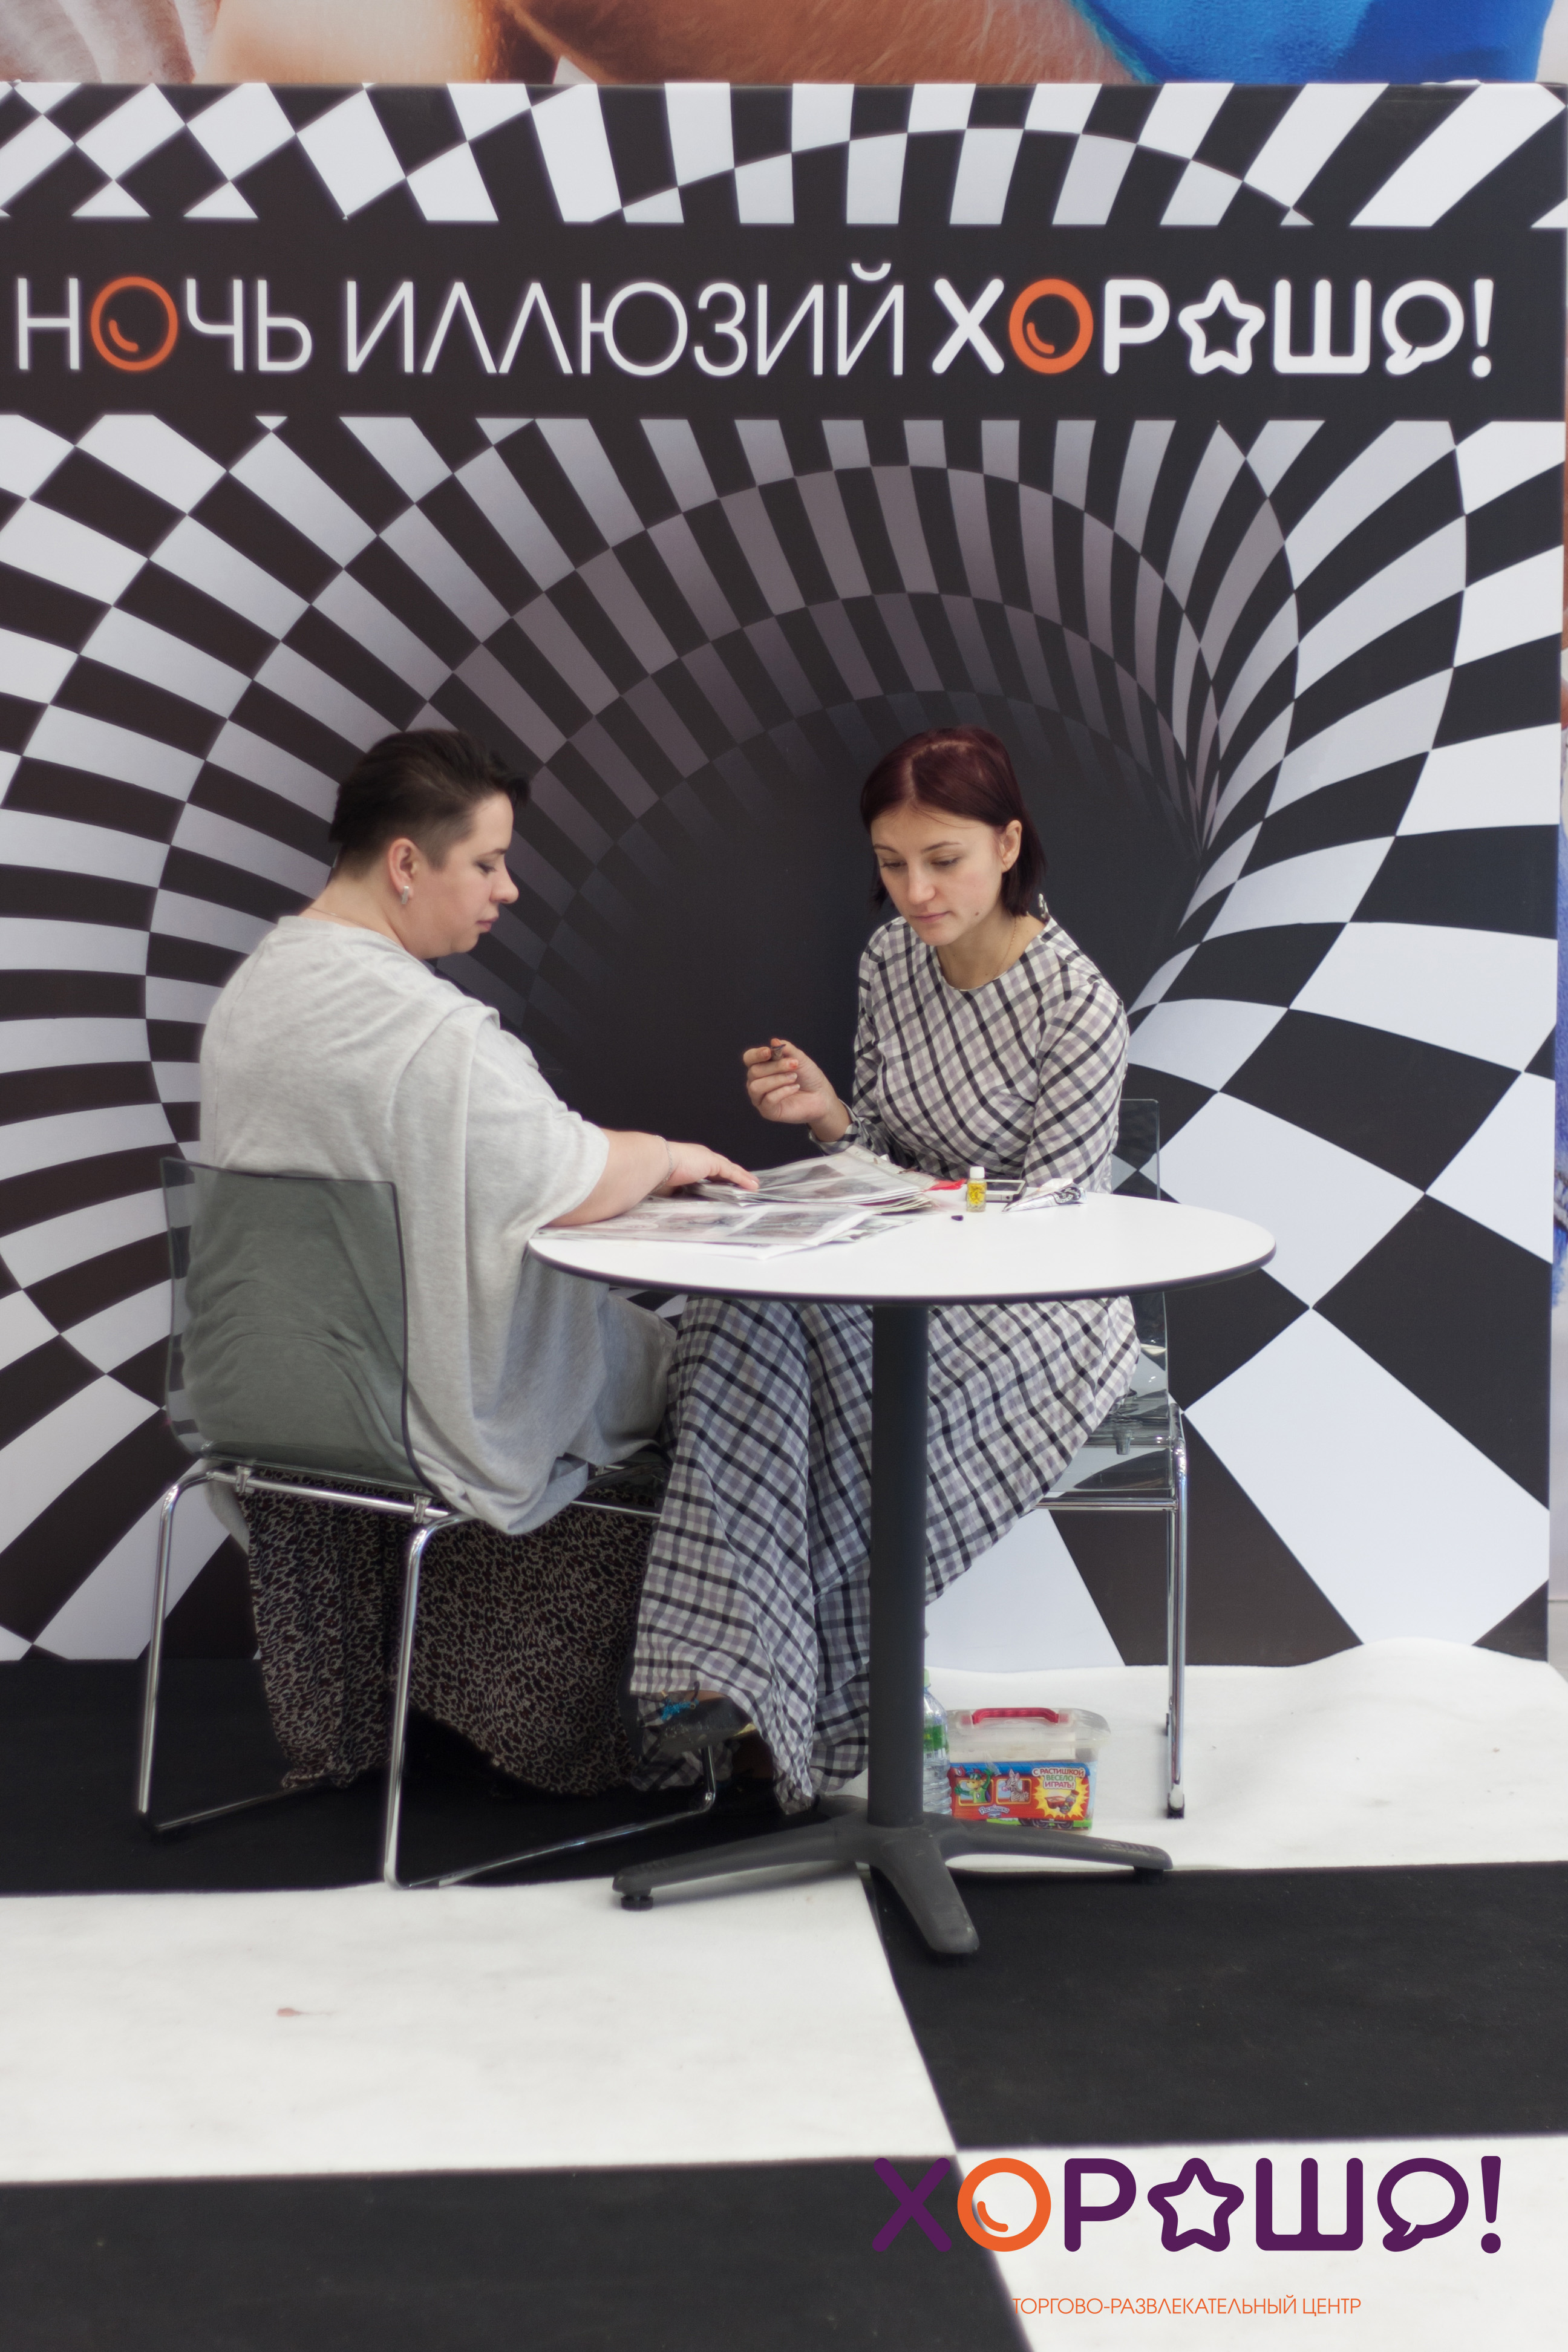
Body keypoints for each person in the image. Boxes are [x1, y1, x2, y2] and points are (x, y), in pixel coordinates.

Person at [629, 725, 1138, 1812]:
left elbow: (1052, 1224)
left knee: (774, 1348)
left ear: (1009, 845)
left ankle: (743, 1694)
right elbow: (886, 1153)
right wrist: (829, 1119)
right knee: (733, 1314)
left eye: (943, 860)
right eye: (893, 863)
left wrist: (907, 1211)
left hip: (1037, 1308)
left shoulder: (1078, 1006)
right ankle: (753, 1696)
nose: (916, 892)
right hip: (900, 1260)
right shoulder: (890, 960)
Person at [200, 726, 753, 1534]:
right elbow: (575, 1180)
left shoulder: (249, 996)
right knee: (738, 1353)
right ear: (406, 865)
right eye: (488, 865)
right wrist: (667, 1155)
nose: (510, 890)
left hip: (270, 1406)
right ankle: (729, 1613)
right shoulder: (435, 1035)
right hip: (431, 1418)